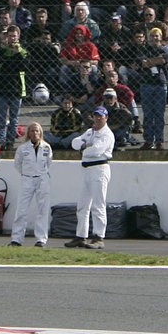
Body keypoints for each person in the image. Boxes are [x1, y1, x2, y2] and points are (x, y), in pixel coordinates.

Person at [65, 106, 115, 250]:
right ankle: (81, 236)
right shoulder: (89, 132)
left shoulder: (107, 134)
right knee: (82, 205)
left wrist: (83, 149)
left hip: (99, 169)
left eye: (101, 116)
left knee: (98, 205)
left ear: (106, 118)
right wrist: (85, 145)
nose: (98, 118)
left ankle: (99, 237)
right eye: (96, 115)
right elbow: (74, 143)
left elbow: (97, 151)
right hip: (86, 170)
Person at [7, 120, 52, 247]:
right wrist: (27, 174)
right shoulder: (22, 148)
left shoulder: (47, 147)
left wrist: (40, 173)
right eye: (32, 130)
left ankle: (41, 239)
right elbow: (17, 164)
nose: (35, 133)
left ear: (40, 132)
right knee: (21, 210)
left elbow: (49, 163)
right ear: (29, 133)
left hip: (42, 179)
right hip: (27, 179)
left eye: (37, 130)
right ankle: (16, 239)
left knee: (42, 210)